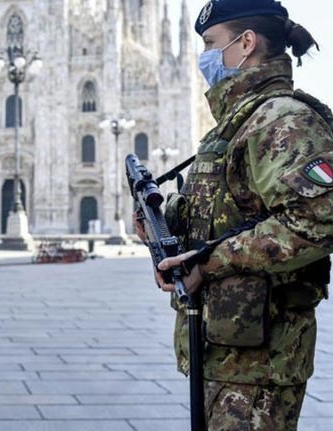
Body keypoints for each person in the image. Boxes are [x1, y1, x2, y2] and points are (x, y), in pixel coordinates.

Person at [137, 0, 333, 429]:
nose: (203, 57)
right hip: (228, 352)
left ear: (245, 44)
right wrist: (164, 227)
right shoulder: (240, 121)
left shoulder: (280, 119)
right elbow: (227, 214)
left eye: (210, 43)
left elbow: (319, 219)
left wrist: (207, 262)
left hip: (260, 364)